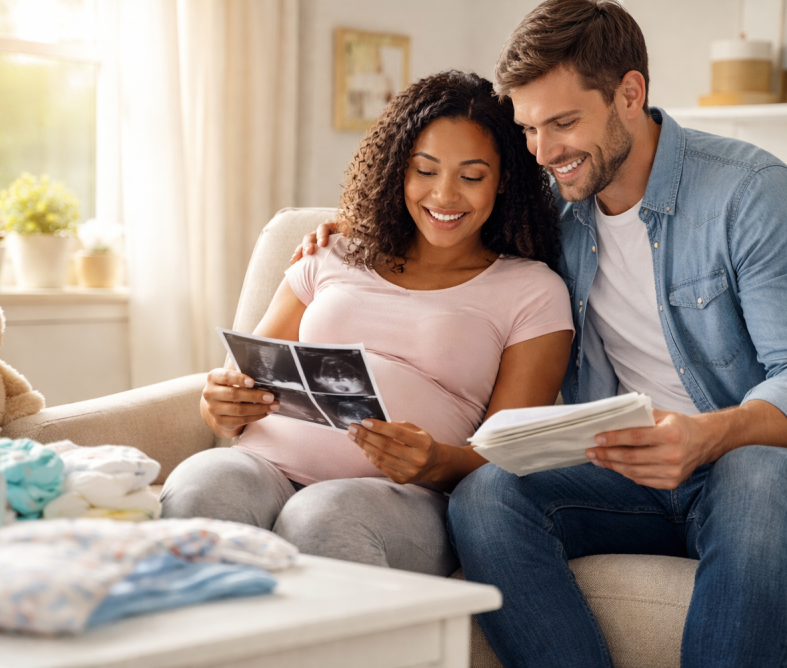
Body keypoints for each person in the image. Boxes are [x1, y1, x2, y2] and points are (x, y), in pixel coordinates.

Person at [294, 0, 787, 667]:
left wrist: (707, 434)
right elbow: (443, 212)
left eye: (562, 123)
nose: (544, 151)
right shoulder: (555, 204)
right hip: (636, 473)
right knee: (488, 493)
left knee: (751, 475)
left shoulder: (753, 195)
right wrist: (351, 230)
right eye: (528, 129)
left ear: (630, 93)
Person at [161, 71, 575, 577]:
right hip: (264, 464)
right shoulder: (330, 253)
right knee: (202, 484)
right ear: (399, 169)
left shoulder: (532, 290)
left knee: (321, 518)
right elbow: (234, 388)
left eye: (471, 176)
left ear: (503, 179)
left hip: (407, 497)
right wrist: (220, 405)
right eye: (425, 171)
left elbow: (513, 453)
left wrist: (438, 462)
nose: (445, 196)